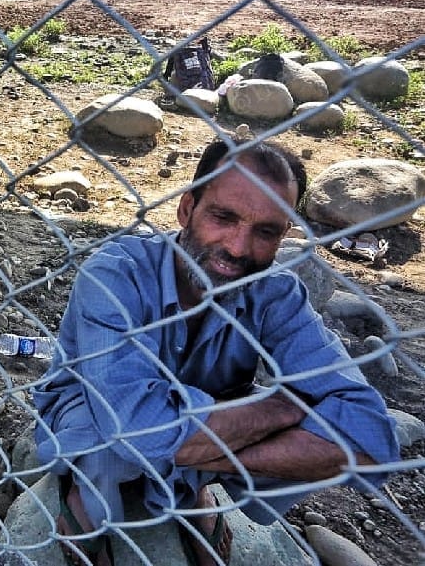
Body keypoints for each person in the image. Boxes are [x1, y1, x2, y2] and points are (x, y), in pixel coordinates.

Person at [33, 139, 399, 566]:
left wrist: (196, 450)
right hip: (91, 408)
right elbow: (129, 428)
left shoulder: (277, 293)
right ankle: (102, 497)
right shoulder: (115, 274)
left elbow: (373, 440)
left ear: (284, 235)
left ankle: (192, 478)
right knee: (107, 445)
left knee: (144, 436)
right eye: (224, 217)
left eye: (266, 231)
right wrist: (281, 410)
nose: (239, 249)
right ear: (186, 210)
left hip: (210, 418)